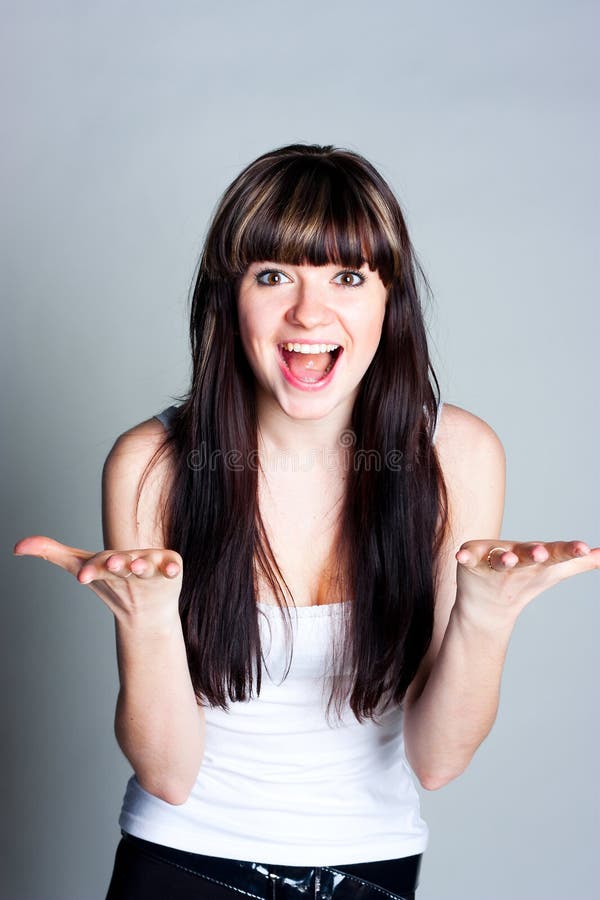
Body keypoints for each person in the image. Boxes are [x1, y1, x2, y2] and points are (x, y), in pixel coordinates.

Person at [13, 143, 599, 900]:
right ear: (231, 298)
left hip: (373, 873)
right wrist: (151, 624)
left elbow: (436, 761)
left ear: (390, 301)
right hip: (179, 867)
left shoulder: (458, 455)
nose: (309, 312)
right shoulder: (153, 464)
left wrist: (486, 617)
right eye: (274, 275)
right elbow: (168, 774)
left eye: (348, 277)